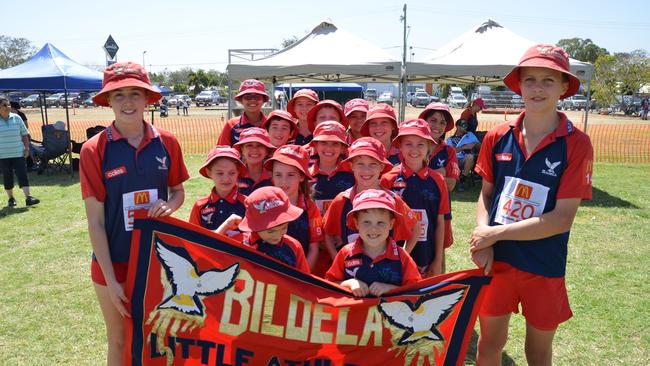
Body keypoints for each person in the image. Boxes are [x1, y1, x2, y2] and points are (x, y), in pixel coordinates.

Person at [470, 44, 593, 365]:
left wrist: (494, 235)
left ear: (565, 86)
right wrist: (483, 233)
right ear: (519, 85)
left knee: (537, 353)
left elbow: (561, 219)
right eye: (530, 80)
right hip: (497, 261)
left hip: (544, 264)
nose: (537, 88)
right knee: (488, 345)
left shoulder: (577, 143)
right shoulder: (497, 136)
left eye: (548, 80)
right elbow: (486, 193)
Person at [80, 62, 189, 366]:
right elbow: (95, 221)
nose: (128, 102)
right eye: (119, 95)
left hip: (157, 261)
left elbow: (177, 190)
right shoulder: (94, 150)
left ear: (147, 99)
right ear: (108, 101)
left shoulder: (167, 142)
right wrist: (112, 280)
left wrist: (172, 205)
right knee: (118, 339)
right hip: (112, 263)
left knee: (158, 337)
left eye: (134, 94)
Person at [322, 137, 418, 258]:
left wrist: (402, 257)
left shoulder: (393, 200)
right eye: (360, 164)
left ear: (382, 167)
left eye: (373, 164)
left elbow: (415, 228)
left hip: (387, 274)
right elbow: (327, 232)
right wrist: (337, 259)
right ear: (351, 166)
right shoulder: (342, 200)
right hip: (351, 274)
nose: (366, 170)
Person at [381, 119, 449, 277]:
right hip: (393, 258)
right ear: (399, 146)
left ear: (429, 147)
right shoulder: (387, 179)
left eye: (421, 144)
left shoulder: (438, 181)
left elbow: (440, 222)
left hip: (426, 254)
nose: (414, 149)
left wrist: (438, 259)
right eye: (408, 144)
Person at [325, 189, 421, 297]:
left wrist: (391, 289)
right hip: (355, 313)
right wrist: (349, 283)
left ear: (391, 224)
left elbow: (416, 292)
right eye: (366, 222)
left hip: (389, 314)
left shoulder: (402, 257)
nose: (373, 229)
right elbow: (329, 286)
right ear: (356, 223)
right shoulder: (345, 253)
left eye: (380, 222)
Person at [216, 186, 310, 273]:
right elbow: (209, 256)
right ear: (254, 226)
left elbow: (306, 284)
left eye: (284, 228)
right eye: (270, 231)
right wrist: (225, 226)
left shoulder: (294, 247)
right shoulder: (239, 243)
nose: (277, 236)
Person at [264, 144, 324, 271]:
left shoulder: (311, 209)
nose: (283, 181)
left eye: (290, 175)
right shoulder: (263, 204)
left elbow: (314, 248)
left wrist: (302, 278)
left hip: (300, 276)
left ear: (302, 176)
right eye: (278, 175)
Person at [189, 146, 247, 235]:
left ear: (238, 172)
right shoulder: (200, 206)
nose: (226, 179)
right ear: (209, 172)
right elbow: (193, 238)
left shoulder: (247, 204)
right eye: (220, 173)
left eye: (232, 173)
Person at [0, 97, 39, 207]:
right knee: (7, 177)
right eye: (4, 105)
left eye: (8, 105)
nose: (8, 107)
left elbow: (24, 134)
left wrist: (26, 148)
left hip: (18, 153)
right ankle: (11, 199)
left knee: (23, 175)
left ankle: (28, 198)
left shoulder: (17, 118)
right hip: (3, 155)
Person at [308, 121, 355, 215]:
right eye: (324, 143)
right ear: (316, 146)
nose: (329, 148)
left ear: (342, 148)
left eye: (335, 143)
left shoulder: (353, 173)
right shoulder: (306, 176)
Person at [218, 79, 269, 146]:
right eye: (247, 97)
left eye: (257, 97)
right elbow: (222, 152)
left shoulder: (271, 125)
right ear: (241, 100)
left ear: (263, 100)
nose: (252, 100)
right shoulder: (231, 125)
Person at [232, 127, 275, 196]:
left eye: (260, 145)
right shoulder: (234, 176)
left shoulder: (274, 177)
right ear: (242, 150)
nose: (254, 149)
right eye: (249, 145)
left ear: (267, 151)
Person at [447, 119, 481, 191]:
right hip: (454, 161)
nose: (465, 127)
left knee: (470, 156)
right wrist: (464, 147)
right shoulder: (450, 139)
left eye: (466, 125)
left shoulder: (470, 135)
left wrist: (475, 144)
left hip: (465, 159)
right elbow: (450, 152)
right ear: (458, 127)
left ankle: (463, 179)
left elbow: (480, 147)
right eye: (463, 125)